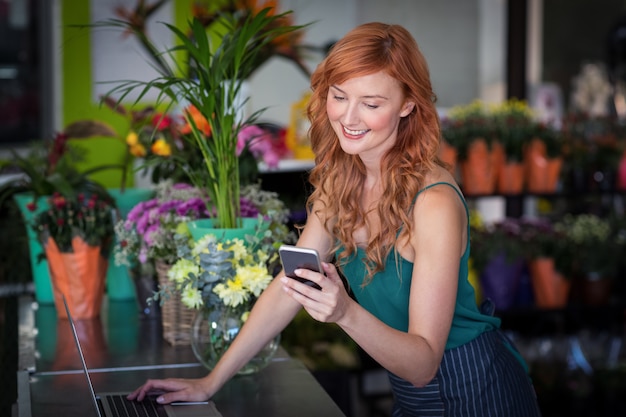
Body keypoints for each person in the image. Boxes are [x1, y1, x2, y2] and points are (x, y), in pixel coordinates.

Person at [128, 22, 542, 416]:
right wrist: (210, 382)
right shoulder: (341, 181)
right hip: (413, 395)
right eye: (339, 95)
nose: (348, 117)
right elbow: (289, 286)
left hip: (476, 387)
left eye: (372, 103)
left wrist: (343, 312)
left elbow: (423, 365)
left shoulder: (433, 203)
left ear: (408, 105)